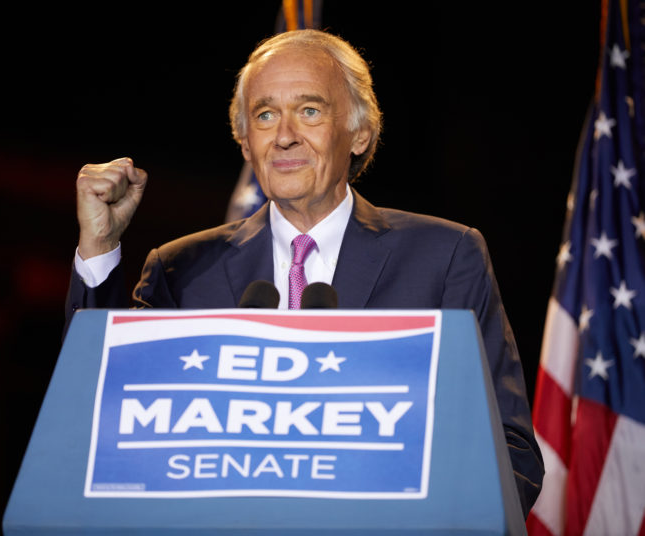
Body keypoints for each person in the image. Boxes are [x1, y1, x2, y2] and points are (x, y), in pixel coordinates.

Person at [65, 29, 543, 515]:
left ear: (360, 134)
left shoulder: (443, 256)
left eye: (310, 110)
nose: (285, 134)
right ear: (246, 143)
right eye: (265, 115)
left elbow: (510, 450)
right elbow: (100, 418)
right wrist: (100, 246)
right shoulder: (181, 268)